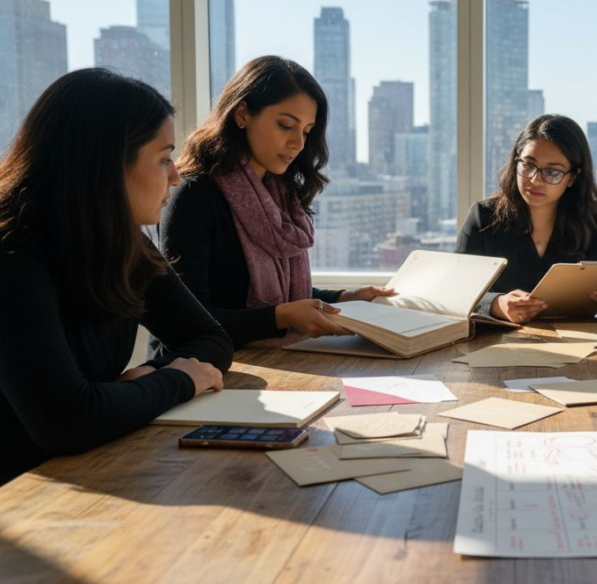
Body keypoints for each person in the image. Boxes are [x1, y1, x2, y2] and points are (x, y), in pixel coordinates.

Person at [0, 69, 233, 485]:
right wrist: (174, 379)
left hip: (81, 474)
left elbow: (212, 341)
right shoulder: (12, 258)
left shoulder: (123, 246)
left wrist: (138, 385)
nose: (176, 176)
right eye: (163, 159)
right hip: (23, 499)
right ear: (106, 165)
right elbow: (67, 421)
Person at [155, 56, 391, 352]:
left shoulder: (280, 194)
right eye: (285, 125)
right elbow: (189, 321)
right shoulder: (193, 195)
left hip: (276, 363)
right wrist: (280, 317)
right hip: (199, 371)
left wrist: (345, 297)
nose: (298, 143)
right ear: (242, 114)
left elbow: (278, 295)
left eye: (306, 131)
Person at [456, 114, 597, 323]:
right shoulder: (484, 217)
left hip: (581, 343)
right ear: (516, 160)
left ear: (572, 177)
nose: (535, 180)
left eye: (552, 172)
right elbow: (456, 289)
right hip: (497, 343)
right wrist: (496, 304)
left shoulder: (596, 220)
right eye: (528, 165)